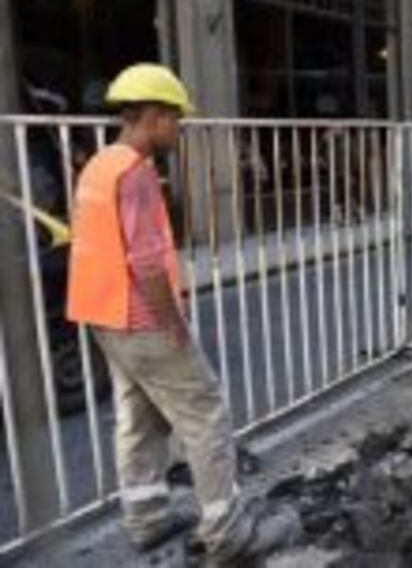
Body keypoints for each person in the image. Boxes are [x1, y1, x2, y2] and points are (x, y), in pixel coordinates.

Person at [66, 64, 299, 563]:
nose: (179, 129)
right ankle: (227, 533)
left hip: (101, 312)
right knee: (205, 413)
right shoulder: (136, 173)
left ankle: (146, 518)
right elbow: (146, 262)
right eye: (176, 119)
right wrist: (173, 324)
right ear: (152, 116)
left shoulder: (99, 165)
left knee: (137, 415)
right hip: (141, 317)